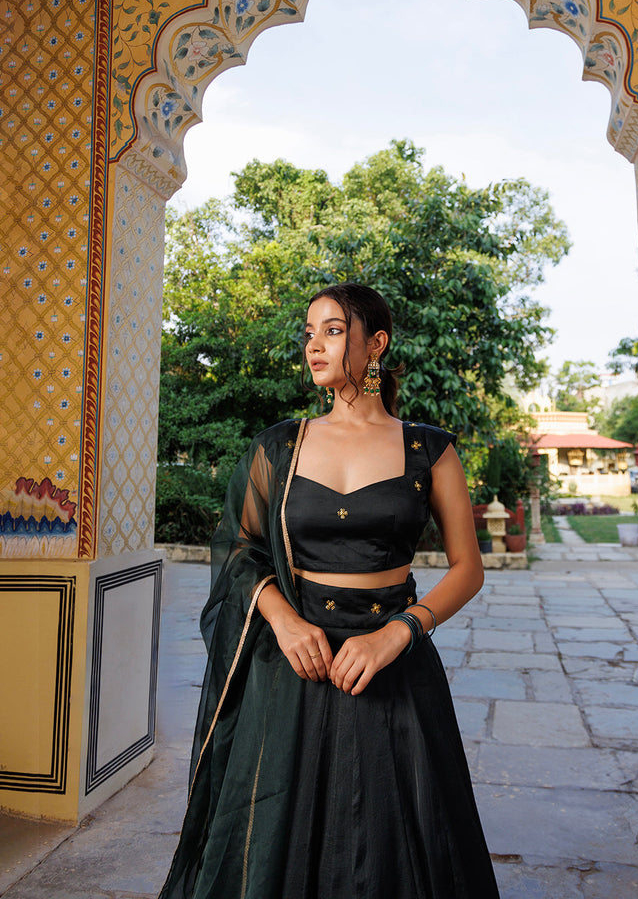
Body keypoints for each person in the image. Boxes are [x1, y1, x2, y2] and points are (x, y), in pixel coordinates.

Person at [158, 283, 500, 899]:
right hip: (293, 663)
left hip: (392, 663)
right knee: (273, 836)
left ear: (377, 344)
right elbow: (239, 551)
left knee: (400, 840)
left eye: (334, 330)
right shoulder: (279, 446)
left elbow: (467, 568)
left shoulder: (429, 448)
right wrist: (285, 622)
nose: (315, 345)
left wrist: (399, 633)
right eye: (309, 333)